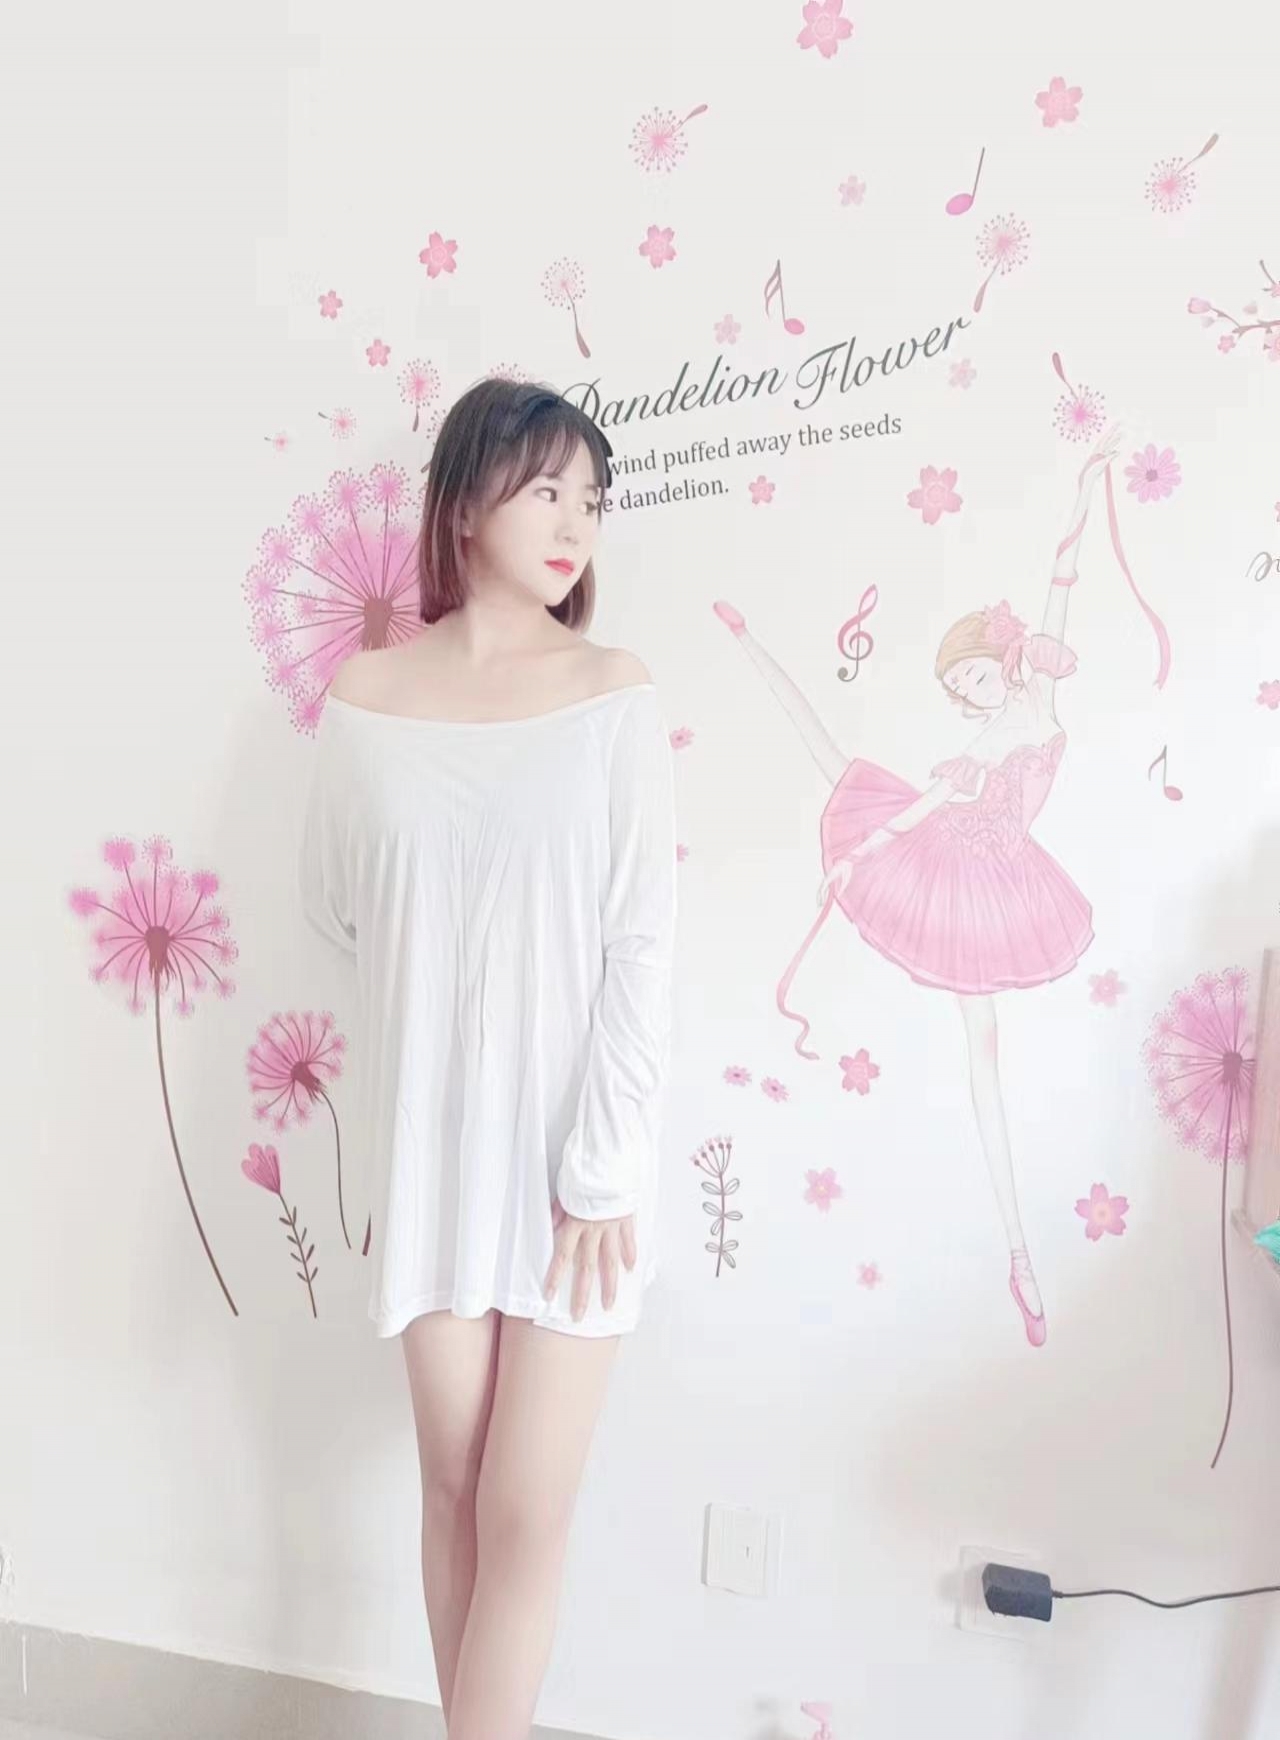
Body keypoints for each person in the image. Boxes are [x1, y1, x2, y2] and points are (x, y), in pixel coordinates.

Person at [298, 376, 679, 1738]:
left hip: (578, 1170)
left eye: (592, 498)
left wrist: (603, 1169)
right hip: (432, 1158)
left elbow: (642, 947)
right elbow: (334, 908)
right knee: (453, 1489)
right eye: (546, 489)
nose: (576, 522)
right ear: (463, 505)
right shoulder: (365, 699)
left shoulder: (611, 694)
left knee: (525, 1512)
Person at [713, 425, 1129, 1351]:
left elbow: (1061, 585)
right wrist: (854, 859)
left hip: (999, 881)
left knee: (986, 1053)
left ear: (1000, 661)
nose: (971, 693)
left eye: (976, 675)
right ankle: (751, 648)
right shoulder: (982, 738)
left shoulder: (1035, 702)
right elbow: (919, 812)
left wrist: (1082, 490)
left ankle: (1018, 1251)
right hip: (948, 858)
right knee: (837, 766)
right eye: (962, 686)